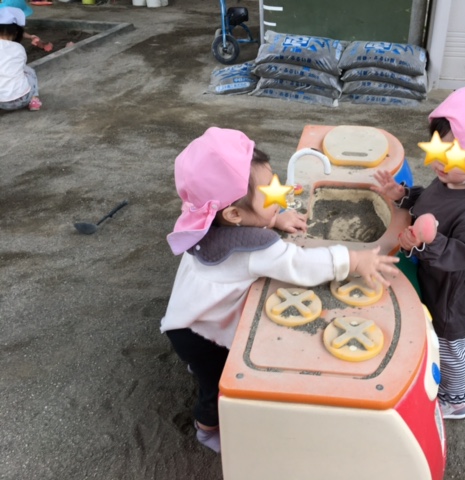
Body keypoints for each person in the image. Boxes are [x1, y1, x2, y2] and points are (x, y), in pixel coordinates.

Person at [160, 127, 399, 452]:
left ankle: (196, 365)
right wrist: (353, 260)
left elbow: (248, 222)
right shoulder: (256, 250)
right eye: (268, 193)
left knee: (203, 363)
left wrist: (274, 219)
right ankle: (206, 427)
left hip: (185, 315)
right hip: (200, 333)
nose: (279, 194)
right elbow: (299, 264)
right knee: (215, 385)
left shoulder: (208, 221)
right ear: (234, 213)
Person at [372, 86, 465, 420]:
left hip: (457, 298)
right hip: (437, 281)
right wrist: (404, 195)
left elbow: (463, 254)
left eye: (450, 153)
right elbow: (430, 201)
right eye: (437, 147)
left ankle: (457, 399)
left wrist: (426, 242)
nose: (437, 160)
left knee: (451, 347)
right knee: (437, 337)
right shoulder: (453, 178)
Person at [0, 6, 41, 111]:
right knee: (29, 71)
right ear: (16, 33)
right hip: (22, 99)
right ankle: (34, 100)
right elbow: (21, 67)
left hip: (1, 103)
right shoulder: (18, 48)